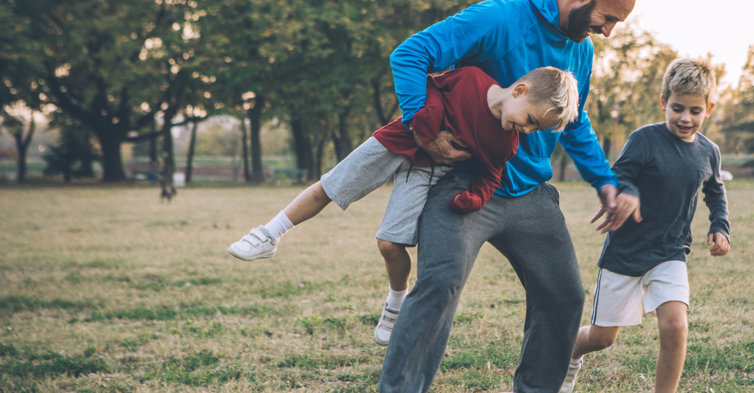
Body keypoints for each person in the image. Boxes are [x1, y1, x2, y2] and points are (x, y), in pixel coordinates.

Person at [364, 0, 637, 393]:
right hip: (464, 182)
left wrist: (604, 181)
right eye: (608, 18)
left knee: (563, 294)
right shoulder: (501, 18)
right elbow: (412, 52)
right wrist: (425, 131)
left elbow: (574, 123)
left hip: (530, 192)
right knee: (440, 282)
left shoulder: (581, 50)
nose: (610, 32)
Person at [227, 66, 580, 347]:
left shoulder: (505, 141)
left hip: (428, 169)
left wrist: (472, 197)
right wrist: (428, 121)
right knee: (330, 186)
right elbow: (428, 84)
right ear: (519, 91)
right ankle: (269, 235)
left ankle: (396, 301)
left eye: (537, 129)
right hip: (398, 138)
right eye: (532, 120)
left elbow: (491, 175)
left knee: (389, 244)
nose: (529, 130)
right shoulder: (471, 77)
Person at [558, 57, 731, 393]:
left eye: (695, 110)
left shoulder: (708, 151)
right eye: (678, 108)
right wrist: (630, 195)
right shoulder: (645, 139)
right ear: (664, 101)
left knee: (675, 325)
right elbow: (621, 176)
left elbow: (715, 192)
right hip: (625, 253)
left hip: (671, 252)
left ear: (709, 109)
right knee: (603, 337)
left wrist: (720, 226)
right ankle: (569, 356)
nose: (686, 117)